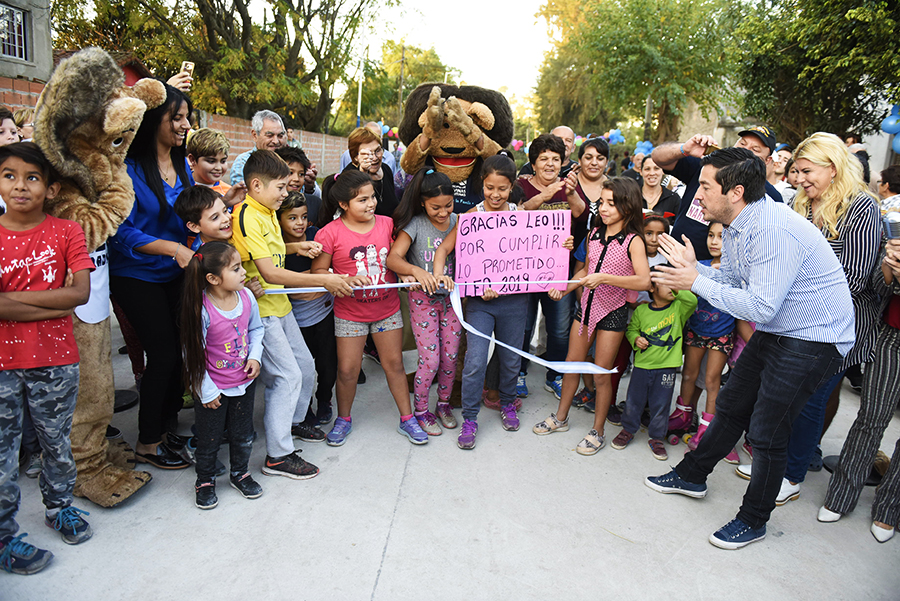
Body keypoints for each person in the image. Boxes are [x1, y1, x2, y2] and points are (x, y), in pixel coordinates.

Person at [645, 147, 854, 550]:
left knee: (767, 432)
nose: (698, 194)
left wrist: (695, 281)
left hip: (816, 337)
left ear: (735, 192)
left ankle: (753, 520)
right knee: (732, 404)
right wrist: (696, 267)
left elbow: (759, 307)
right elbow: (735, 282)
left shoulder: (772, 230)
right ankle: (691, 476)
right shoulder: (738, 224)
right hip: (782, 327)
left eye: (705, 186)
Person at [740, 132, 880, 504]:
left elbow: (854, 277)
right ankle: (774, 461)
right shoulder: (799, 203)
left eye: (806, 171)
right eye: (796, 172)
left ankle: (792, 474)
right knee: (782, 394)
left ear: (833, 168)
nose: (799, 179)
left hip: (836, 323)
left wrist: (789, 289)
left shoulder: (862, 207)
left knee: (811, 398)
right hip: (793, 318)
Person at [0, 142, 95, 574]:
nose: (20, 186)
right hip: (3, 365)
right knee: (4, 452)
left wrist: (11, 302)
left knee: (56, 442)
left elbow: (80, 294)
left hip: (55, 360)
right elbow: (65, 299)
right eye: (9, 176)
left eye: (32, 177)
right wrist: (52, 303)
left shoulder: (67, 232)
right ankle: (4, 536)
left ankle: (59, 508)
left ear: (51, 189)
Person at [230, 150, 353, 479]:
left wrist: (294, 247)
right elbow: (269, 272)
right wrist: (323, 280)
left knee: (305, 368)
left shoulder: (266, 209)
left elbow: (267, 252)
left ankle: (293, 423)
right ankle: (278, 455)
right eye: (281, 187)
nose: (287, 193)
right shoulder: (246, 216)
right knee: (286, 378)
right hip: (262, 313)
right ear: (257, 185)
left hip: (280, 306)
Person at [108, 83, 195, 470]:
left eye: (187, 117)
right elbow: (121, 232)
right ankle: (147, 442)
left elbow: (188, 214)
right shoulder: (126, 168)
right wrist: (173, 248)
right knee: (161, 354)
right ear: (153, 120)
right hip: (135, 274)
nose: (185, 125)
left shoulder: (182, 165)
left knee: (180, 350)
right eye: (176, 118)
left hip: (175, 271)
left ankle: (165, 425)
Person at [532, 177, 650, 455]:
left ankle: (598, 431)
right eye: (602, 203)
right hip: (585, 309)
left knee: (600, 375)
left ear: (628, 206)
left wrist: (605, 278)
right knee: (571, 365)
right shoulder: (594, 234)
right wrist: (565, 288)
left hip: (613, 313)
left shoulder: (634, 241)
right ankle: (560, 418)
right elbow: (586, 270)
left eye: (611, 203)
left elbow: (644, 280)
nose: (604, 209)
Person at [312, 170, 428, 446]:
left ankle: (407, 418)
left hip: (387, 311)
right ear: (343, 204)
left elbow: (397, 259)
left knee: (395, 365)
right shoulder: (329, 233)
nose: (371, 203)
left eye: (372, 197)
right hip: (349, 315)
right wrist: (343, 279)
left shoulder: (387, 225)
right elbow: (318, 272)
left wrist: (405, 274)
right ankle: (343, 419)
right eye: (362, 200)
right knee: (347, 370)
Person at [432, 155, 535, 449]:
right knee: (475, 361)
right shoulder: (470, 217)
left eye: (502, 188)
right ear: (482, 184)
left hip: (515, 301)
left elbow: (539, 248)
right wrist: (439, 276)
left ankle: (507, 403)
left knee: (511, 359)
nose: (495, 194)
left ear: (512, 186)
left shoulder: (521, 215)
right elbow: (443, 250)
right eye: (490, 187)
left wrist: (561, 244)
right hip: (480, 303)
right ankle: (470, 418)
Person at [818, 237, 900, 543]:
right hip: (892, 337)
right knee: (871, 418)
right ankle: (840, 495)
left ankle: (889, 509)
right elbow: (877, 286)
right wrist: (889, 265)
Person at [180, 241, 264, 510]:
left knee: (243, 434)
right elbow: (192, 355)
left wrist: (255, 357)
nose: (244, 272)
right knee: (209, 438)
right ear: (213, 278)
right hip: (213, 389)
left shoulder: (247, 297)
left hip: (244, 383)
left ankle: (240, 473)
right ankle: (205, 480)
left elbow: (256, 329)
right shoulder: (202, 309)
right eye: (236, 268)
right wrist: (206, 391)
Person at [386, 168, 462, 435]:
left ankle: (443, 405)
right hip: (423, 301)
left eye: (448, 205)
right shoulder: (415, 224)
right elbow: (393, 258)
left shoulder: (459, 221)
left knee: (450, 359)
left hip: (453, 300)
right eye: (435, 207)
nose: (443, 212)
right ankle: (420, 411)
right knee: (430, 360)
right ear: (421, 203)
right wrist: (416, 271)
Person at [518, 133, 587, 398]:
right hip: (524, 272)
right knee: (523, 327)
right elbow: (513, 215)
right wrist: (544, 195)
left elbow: (581, 215)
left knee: (559, 328)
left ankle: (555, 375)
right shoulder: (520, 185)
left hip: (558, 270)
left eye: (555, 159)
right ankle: (518, 373)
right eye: (544, 158)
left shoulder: (569, 185)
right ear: (533, 163)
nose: (550, 164)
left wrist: (570, 192)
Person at [651, 125, 783, 261]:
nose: (744, 150)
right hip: (672, 257)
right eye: (742, 143)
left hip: (719, 268)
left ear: (767, 160)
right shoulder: (707, 167)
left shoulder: (770, 197)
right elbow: (657, 157)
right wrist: (684, 149)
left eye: (755, 149)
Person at [611, 270, 697, 461]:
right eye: (666, 283)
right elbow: (631, 329)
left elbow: (692, 301)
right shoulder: (641, 311)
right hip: (642, 365)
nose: (672, 288)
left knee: (661, 403)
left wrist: (676, 286)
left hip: (667, 367)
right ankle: (628, 429)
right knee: (634, 400)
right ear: (652, 288)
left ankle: (657, 437)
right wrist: (636, 339)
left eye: (673, 284)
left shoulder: (679, 308)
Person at [676, 222, 738, 461]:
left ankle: (705, 429)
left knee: (712, 381)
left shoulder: (736, 273)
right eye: (711, 235)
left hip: (721, 334)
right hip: (696, 330)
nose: (714, 241)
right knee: (689, 375)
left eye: (721, 236)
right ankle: (682, 417)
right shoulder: (698, 265)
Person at [277, 192, 336, 426]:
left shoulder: (316, 236)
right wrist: (316, 278)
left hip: (324, 314)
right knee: (303, 367)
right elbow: (283, 281)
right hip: (295, 319)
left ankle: (324, 400)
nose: (300, 223)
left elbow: (329, 269)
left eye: (303, 216)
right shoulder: (276, 247)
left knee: (328, 365)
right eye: (292, 218)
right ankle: (305, 408)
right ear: (279, 220)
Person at [340, 126, 399, 218]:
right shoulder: (348, 176)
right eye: (367, 153)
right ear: (356, 156)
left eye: (378, 151)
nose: (374, 158)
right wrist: (363, 171)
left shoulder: (386, 169)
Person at [186, 128, 246, 206]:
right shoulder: (181, 187)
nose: (218, 168)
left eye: (223, 161)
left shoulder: (229, 193)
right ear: (192, 159)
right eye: (211, 161)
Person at [229, 110, 287, 185]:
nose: (276, 141)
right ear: (255, 135)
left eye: (280, 136)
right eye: (270, 135)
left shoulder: (290, 161)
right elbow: (243, 192)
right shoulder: (244, 163)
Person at [275, 146, 322, 226]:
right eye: (290, 173)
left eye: (301, 174)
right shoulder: (271, 205)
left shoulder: (315, 204)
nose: (296, 179)